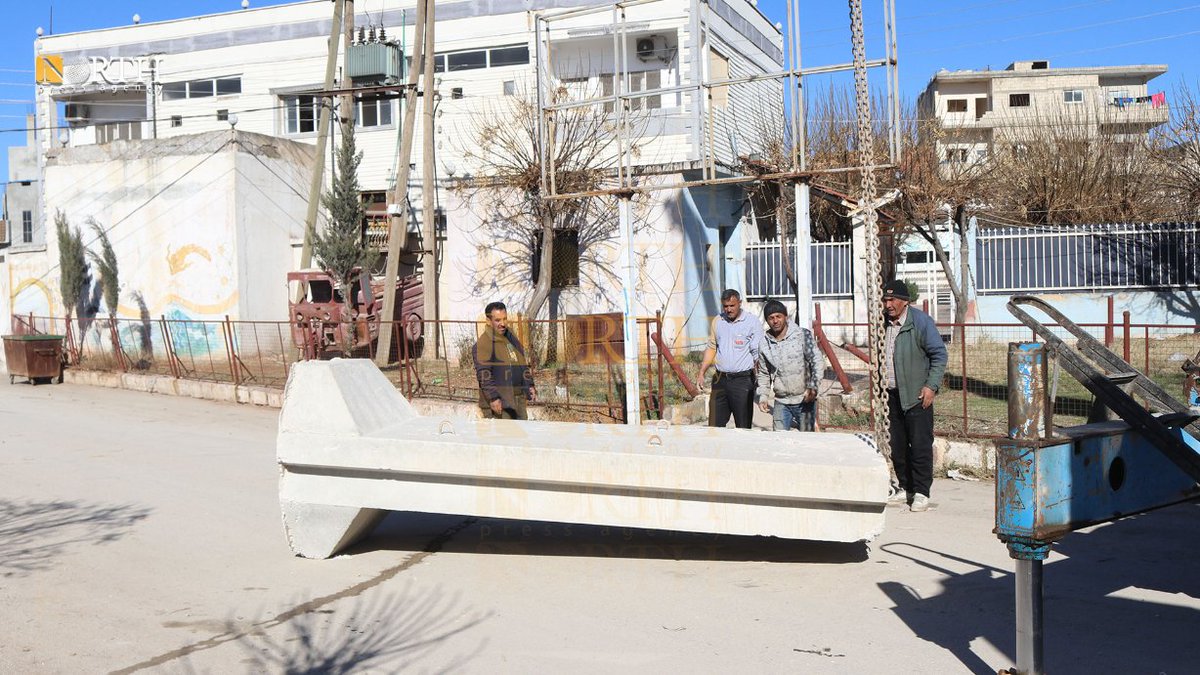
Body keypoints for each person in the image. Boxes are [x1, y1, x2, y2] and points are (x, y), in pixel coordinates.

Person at [882, 280, 948, 512]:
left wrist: (931, 386)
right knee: (897, 446)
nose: (888, 305)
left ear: (905, 301)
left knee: (920, 445)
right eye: (886, 300)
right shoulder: (883, 324)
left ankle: (921, 492)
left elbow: (939, 355)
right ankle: (906, 488)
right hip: (890, 395)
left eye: (892, 300)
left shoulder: (920, 322)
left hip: (917, 395)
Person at [697, 289, 762, 429]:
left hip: (743, 381)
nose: (729, 309)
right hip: (720, 379)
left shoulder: (752, 322)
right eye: (725, 306)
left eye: (732, 306)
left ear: (739, 303)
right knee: (714, 425)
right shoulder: (718, 321)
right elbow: (712, 347)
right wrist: (702, 371)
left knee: (743, 427)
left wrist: (761, 377)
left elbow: (757, 351)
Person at [755, 299, 822, 431]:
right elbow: (763, 373)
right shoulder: (764, 344)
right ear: (767, 321)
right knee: (780, 442)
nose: (775, 321)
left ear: (785, 316)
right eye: (771, 318)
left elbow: (817, 362)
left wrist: (813, 386)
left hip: (805, 400)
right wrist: (763, 396)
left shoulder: (802, 335)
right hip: (781, 401)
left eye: (778, 316)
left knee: (807, 442)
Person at [473, 301, 537, 420]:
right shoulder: (484, 344)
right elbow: (484, 374)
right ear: (488, 321)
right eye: (497, 320)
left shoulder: (509, 336)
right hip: (501, 402)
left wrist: (529, 384)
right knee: (504, 436)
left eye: (505, 319)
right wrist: (493, 398)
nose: (502, 324)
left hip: (518, 399)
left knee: (521, 436)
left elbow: (521, 362)